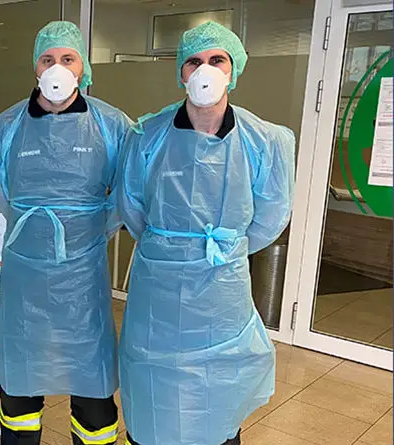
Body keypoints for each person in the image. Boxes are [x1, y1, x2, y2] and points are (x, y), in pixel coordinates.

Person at [116, 21, 296, 445]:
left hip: (222, 291)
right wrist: (170, 246)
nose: (205, 70)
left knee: (218, 400)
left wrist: (223, 248)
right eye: (194, 62)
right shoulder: (147, 135)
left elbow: (271, 216)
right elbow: (131, 205)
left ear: (234, 69)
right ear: (181, 71)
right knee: (153, 392)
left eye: (217, 60)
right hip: (157, 291)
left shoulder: (264, 140)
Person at [0, 21, 132, 445]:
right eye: (48, 59)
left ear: (83, 68)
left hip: (83, 279)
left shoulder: (110, 125)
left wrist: (90, 229)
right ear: (35, 67)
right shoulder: (8, 125)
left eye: (67, 58)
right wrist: (38, 230)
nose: (57, 67)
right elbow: (0, 188)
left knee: (93, 392)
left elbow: (128, 191)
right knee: (20, 392)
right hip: (24, 278)